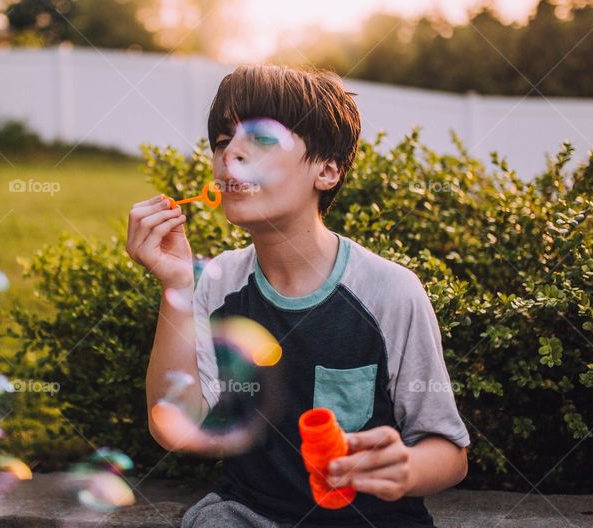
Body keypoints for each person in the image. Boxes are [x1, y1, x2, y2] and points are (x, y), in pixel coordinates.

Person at [126, 64, 469, 527]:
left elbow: (449, 451)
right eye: (223, 141)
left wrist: (405, 470)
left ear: (327, 170)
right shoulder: (218, 282)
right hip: (251, 516)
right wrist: (175, 286)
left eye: (262, 139)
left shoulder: (390, 291)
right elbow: (175, 428)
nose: (232, 156)